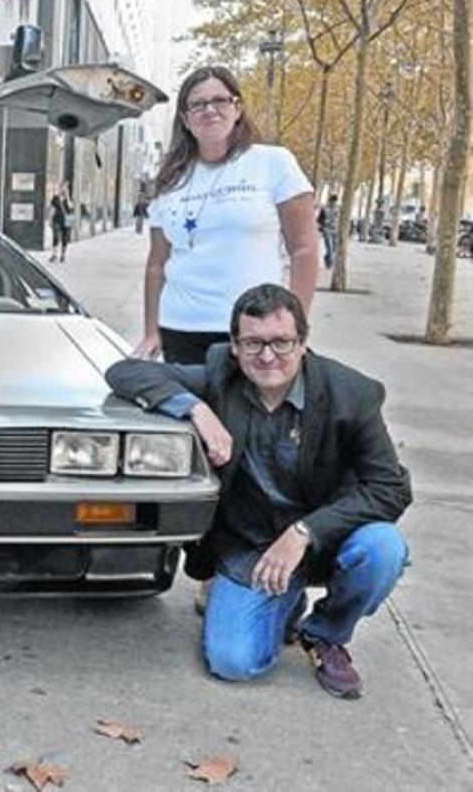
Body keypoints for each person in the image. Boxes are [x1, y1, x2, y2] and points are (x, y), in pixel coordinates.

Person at [106, 284, 411, 699]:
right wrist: (196, 409)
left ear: (303, 342)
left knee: (384, 548)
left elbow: (389, 488)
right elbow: (125, 372)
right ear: (234, 346)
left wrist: (304, 532)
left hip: (329, 539)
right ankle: (283, 603)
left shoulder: (351, 394)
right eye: (253, 344)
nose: (268, 356)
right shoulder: (219, 377)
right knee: (233, 663)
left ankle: (326, 634)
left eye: (282, 343)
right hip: (251, 546)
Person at [133, 66, 319, 366]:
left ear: (238, 108)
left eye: (220, 101)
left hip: (255, 333)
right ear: (185, 119)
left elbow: (304, 249)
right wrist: (151, 332)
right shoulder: (169, 180)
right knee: (191, 413)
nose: (209, 110)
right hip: (180, 330)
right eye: (197, 104)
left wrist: (295, 327)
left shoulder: (274, 163)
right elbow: (157, 263)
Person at [49, 182, 72, 262]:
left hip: (66, 220)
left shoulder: (69, 198)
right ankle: (54, 254)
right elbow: (52, 208)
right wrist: (50, 219)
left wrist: (68, 196)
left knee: (64, 237)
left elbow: (70, 207)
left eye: (65, 188)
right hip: (56, 219)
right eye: (62, 187)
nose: (63, 189)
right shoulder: (55, 198)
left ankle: (63, 255)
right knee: (55, 236)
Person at [317, 194, 339, 269]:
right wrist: (322, 226)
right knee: (329, 247)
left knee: (334, 248)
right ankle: (329, 264)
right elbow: (319, 219)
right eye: (332, 202)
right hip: (327, 230)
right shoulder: (324, 208)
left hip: (335, 230)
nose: (334, 204)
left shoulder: (338, 208)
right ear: (330, 201)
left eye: (335, 202)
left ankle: (326, 258)